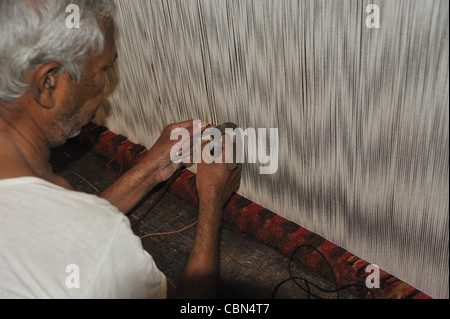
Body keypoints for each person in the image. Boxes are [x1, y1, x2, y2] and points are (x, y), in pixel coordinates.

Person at [0, 0, 241, 299]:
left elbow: (57, 237)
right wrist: (212, 199)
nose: (106, 88)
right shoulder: (101, 240)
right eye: (103, 70)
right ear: (48, 83)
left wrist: (151, 168)